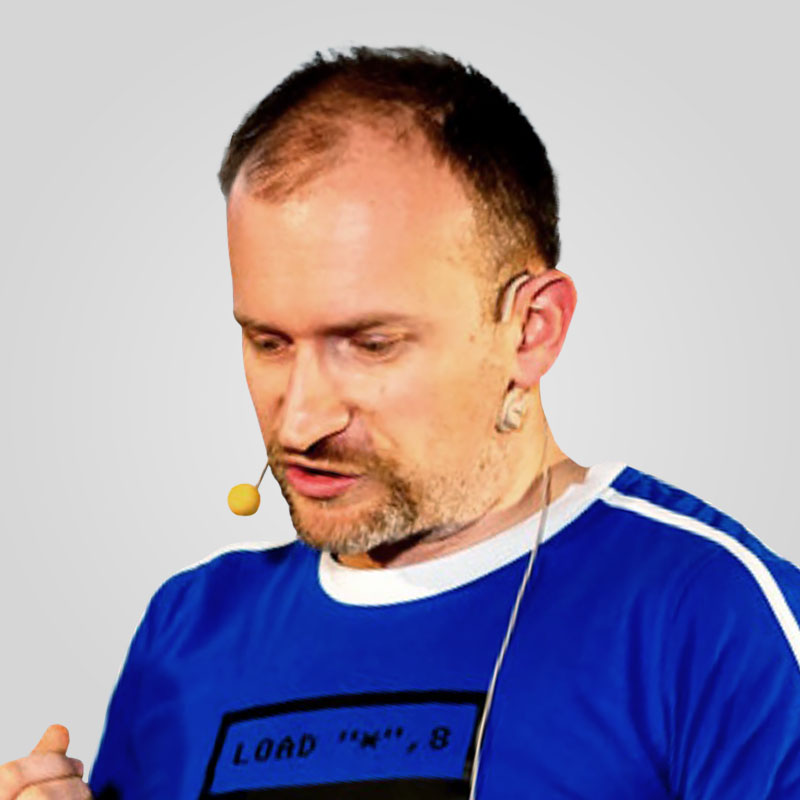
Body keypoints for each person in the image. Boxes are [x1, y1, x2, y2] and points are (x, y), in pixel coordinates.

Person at [4, 45, 800, 799]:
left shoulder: (705, 614)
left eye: (371, 344)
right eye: (269, 342)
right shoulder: (186, 632)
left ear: (531, 330)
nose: (302, 421)